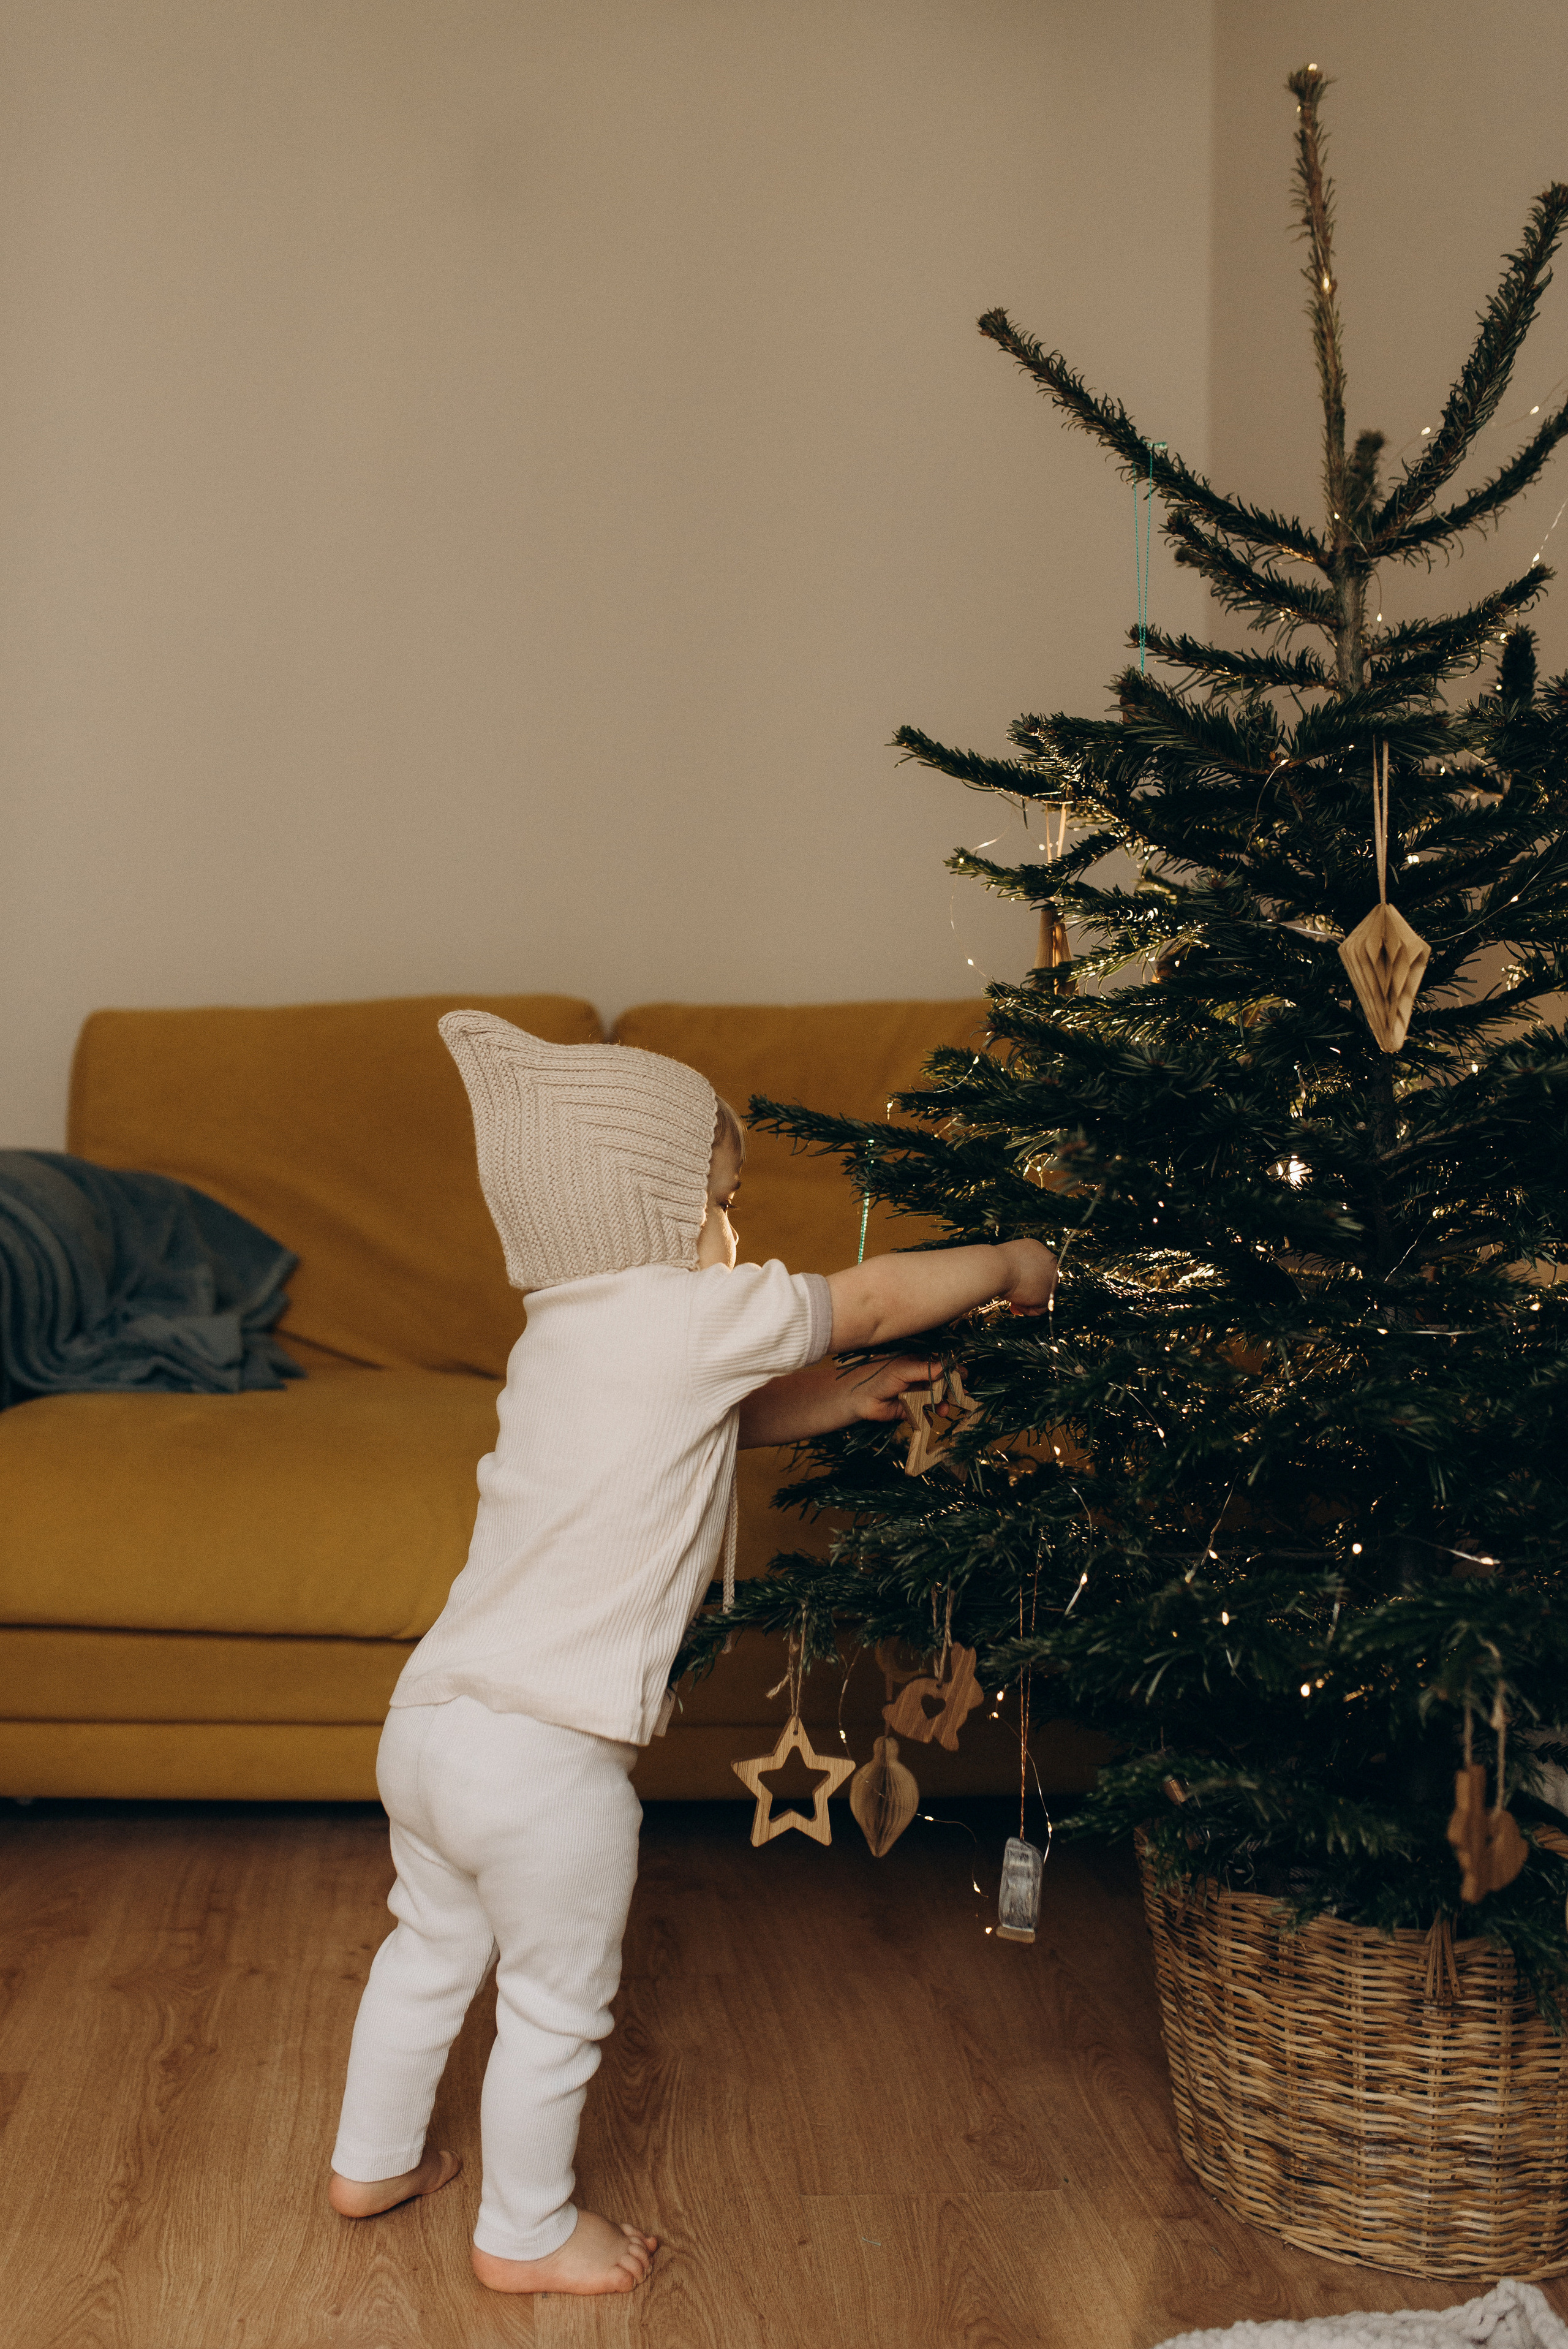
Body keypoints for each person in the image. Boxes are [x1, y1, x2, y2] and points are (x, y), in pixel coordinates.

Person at [326, 1012, 1057, 2297]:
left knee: (426, 1949)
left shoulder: (562, 1331)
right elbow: (874, 1296)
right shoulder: (685, 1309)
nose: (735, 1234)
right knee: (555, 2007)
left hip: (431, 1724)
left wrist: (835, 1399)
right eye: (721, 1203)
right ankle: (527, 2232)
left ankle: (371, 2162)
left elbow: (701, 1422)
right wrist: (1003, 1258)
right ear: (651, 1208)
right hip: (545, 1764)